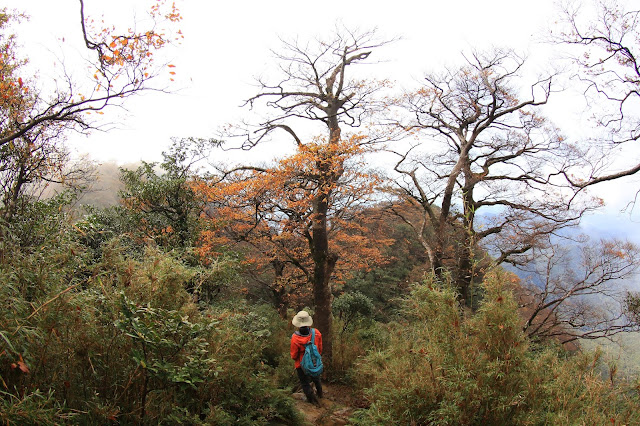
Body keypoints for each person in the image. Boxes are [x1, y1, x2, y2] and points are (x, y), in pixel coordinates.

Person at [290, 310, 323, 404]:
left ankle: (312, 401)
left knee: (305, 383)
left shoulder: (295, 338)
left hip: (301, 365)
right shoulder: (316, 333)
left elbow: (294, 355)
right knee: (317, 379)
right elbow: (319, 349)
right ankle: (320, 395)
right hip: (315, 362)